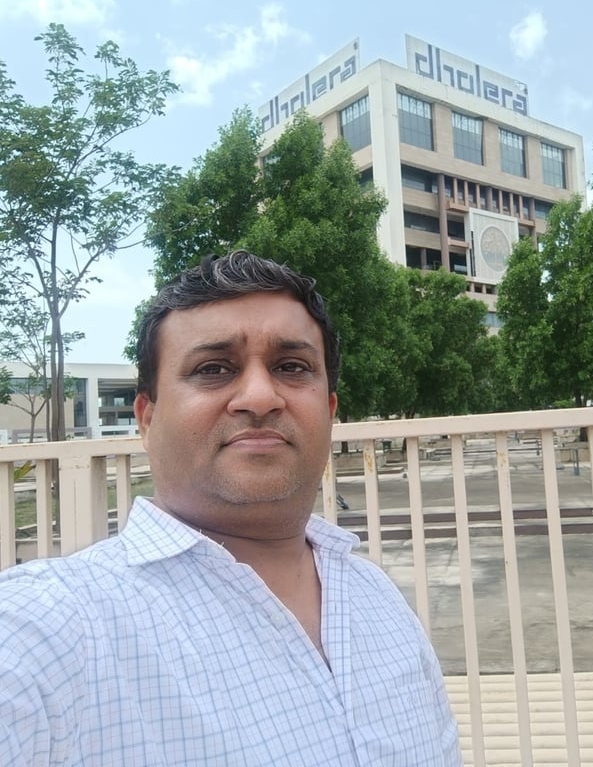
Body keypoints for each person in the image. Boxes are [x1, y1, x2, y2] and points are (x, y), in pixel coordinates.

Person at [0, 251, 463, 766]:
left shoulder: (376, 596)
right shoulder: (54, 625)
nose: (261, 397)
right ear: (147, 419)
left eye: (291, 367)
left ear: (329, 411)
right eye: (213, 369)